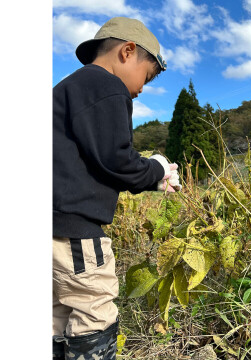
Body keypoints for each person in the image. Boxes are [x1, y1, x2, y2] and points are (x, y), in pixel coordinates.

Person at [52, 17, 180, 360]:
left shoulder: (66, 89)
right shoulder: (106, 86)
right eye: (147, 77)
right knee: (95, 313)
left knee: (56, 317)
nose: (141, 88)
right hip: (75, 232)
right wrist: (157, 169)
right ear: (127, 52)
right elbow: (115, 159)